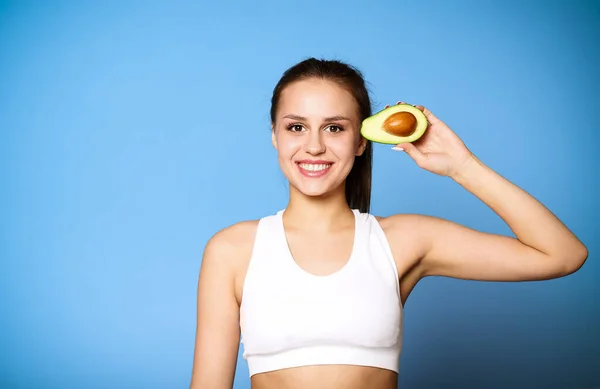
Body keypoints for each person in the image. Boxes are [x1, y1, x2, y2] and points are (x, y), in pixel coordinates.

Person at [189, 58, 588, 389]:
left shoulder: (402, 240)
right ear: (275, 136)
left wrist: (463, 167)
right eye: (296, 127)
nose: (314, 145)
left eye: (334, 127)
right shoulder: (232, 251)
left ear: (361, 140)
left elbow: (563, 255)